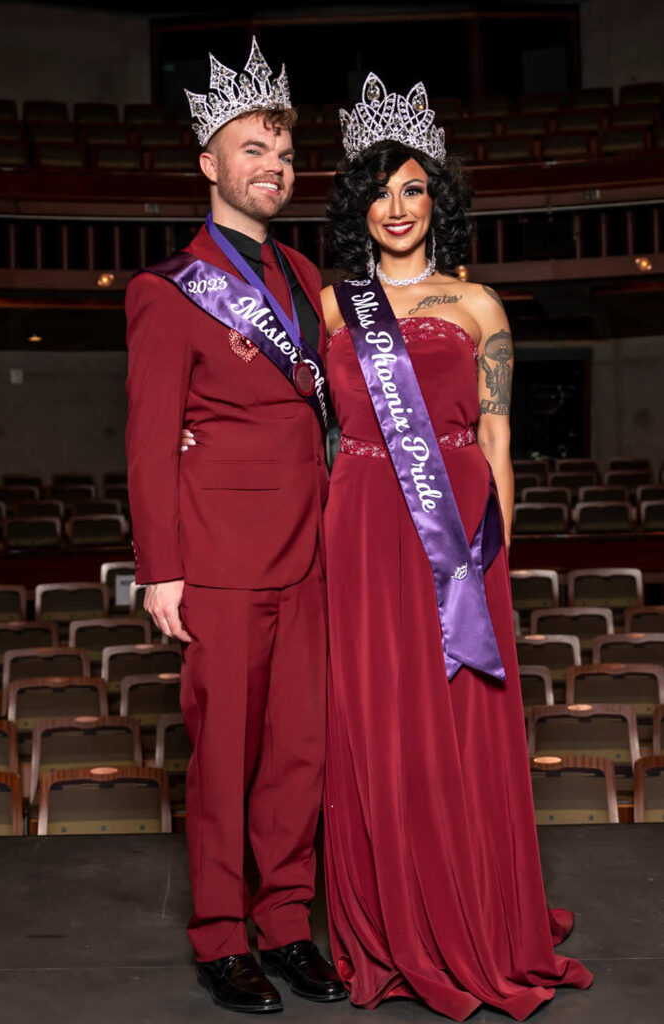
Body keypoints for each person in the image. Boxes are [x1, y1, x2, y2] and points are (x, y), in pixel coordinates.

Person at [319, 74, 593, 1021]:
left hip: (453, 527)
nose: (395, 209)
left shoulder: (479, 305)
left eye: (412, 188)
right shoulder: (330, 305)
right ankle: (389, 919)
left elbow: (497, 442)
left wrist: (491, 562)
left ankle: (471, 912)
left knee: (455, 716)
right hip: (358, 519)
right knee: (372, 720)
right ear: (358, 207)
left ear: (439, 197)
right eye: (377, 193)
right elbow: (305, 427)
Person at [125, 38, 344, 1013]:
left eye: (284, 154)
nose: (273, 168)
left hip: (314, 556)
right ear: (208, 162)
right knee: (221, 762)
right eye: (251, 148)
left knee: (299, 754)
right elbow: (144, 442)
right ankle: (221, 935)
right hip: (214, 563)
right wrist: (159, 571)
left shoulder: (302, 272)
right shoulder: (166, 290)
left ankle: (288, 920)